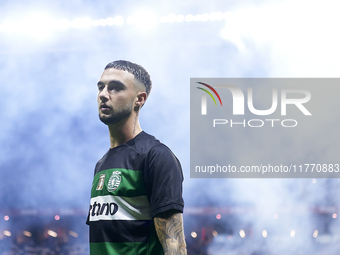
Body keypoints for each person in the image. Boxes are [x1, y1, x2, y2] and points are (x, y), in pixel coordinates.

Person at [87, 60, 187, 255]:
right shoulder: (101, 164)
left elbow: (175, 248)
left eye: (115, 88)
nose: (103, 94)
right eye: (101, 87)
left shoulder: (156, 156)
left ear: (139, 99)